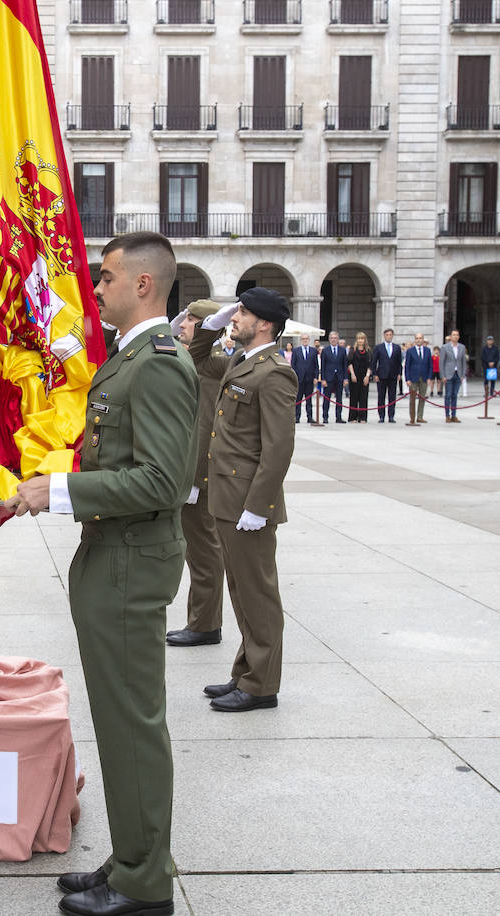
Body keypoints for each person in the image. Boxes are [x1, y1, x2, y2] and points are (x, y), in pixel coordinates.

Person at [11, 232, 196, 916]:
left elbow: (161, 480)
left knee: (132, 724)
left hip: (131, 561)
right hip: (111, 553)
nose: (97, 289)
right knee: (119, 722)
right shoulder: (129, 360)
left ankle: (145, 884)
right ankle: (131, 856)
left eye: (108, 278)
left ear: (144, 285)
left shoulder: (159, 363)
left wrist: (58, 490)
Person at [189, 288, 295, 715]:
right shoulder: (241, 360)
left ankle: (261, 684)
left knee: (258, 594)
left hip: (247, 503)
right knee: (240, 591)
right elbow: (197, 357)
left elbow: (278, 448)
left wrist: (258, 506)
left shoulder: (274, 373)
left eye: (243, 313)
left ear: (265, 324)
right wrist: (213, 326)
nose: (234, 317)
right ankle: (246, 671)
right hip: (228, 498)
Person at [165, 299, 227, 648]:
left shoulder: (214, 364)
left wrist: (196, 477)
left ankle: (205, 624)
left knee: (203, 550)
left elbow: (206, 426)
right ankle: (201, 619)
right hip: (182, 467)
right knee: (194, 549)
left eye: (191, 320)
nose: (184, 324)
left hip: (199, 472)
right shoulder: (183, 356)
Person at [370, 327, 401, 422]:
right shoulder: (378, 347)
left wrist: (399, 373)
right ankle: (381, 416)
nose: (389, 336)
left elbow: (399, 362)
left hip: (393, 375)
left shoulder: (397, 347)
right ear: (384, 336)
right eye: (387, 335)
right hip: (381, 375)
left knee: (392, 397)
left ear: (392, 336)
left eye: (390, 335)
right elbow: (374, 362)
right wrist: (374, 374)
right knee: (381, 396)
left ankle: (391, 416)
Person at [319, 331, 348, 423]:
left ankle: (338, 417)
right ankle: (325, 417)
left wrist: (345, 378)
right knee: (327, 398)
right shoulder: (325, 350)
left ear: (338, 339)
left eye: (335, 338)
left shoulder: (342, 350)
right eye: (332, 338)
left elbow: (345, 365)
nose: (333, 339)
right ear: (329, 339)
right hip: (328, 377)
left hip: (339, 377)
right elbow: (323, 365)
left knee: (339, 398)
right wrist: (323, 379)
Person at [289, 332, 318, 424]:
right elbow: (293, 365)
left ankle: (310, 417)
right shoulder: (296, 351)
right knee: (298, 399)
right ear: (301, 340)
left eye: (306, 339)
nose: (305, 340)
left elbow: (316, 365)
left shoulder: (313, 351)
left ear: (309, 340)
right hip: (299, 379)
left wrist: (316, 377)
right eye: (303, 339)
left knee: (309, 399)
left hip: (309, 378)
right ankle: (297, 417)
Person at [403, 333, 431, 423]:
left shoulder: (427, 350)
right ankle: (412, 417)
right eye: (417, 338)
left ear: (423, 339)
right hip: (413, 378)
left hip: (424, 377)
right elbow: (407, 366)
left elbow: (430, 365)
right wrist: (407, 379)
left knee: (422, 398)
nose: (419, 340)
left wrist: (429, 377)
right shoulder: (410, 351)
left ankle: (420, 416)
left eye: (420, 338)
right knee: (412, 399)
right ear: (415, 340)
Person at [440, 330, 466, 422]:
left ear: (458, 337)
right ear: (450, 336)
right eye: (454, 335)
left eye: (457, 335)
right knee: (448, 395)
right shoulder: (445, 347)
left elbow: (463, 362)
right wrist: (442, 375)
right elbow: (441, 362)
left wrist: (463, 375)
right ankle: (447, 415)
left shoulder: (462, 347)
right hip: (448, 374)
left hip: (458, 374)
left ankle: (454, 415)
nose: (455, 336)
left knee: (455, 395)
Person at [348, 331, 371, 422]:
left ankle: (362, 417)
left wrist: (367, 376)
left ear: (365, 340)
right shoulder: (352, 350)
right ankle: (353, 417)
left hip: (364, 376)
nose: (360, 340)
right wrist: (352, 374)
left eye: (362, 339)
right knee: (354, 397)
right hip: (354, 376)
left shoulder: (368, 351)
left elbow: (370, 364)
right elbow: (349, 363)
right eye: (359, 339)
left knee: (363, 397)